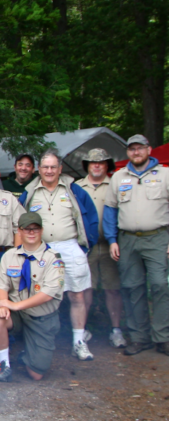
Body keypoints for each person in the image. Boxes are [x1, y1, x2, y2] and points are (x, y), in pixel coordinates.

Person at [20, 149, 98, 361]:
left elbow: (90, 216)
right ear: (39, 169)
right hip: (42, 249)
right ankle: (40, 342)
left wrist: (85, 245)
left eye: (53, 167)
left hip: (70, 245)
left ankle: (78, 342)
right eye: (45, 167)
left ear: (60, 168)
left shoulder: (74, 189)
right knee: (40, 295)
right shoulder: (30, 192)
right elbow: (18, 219)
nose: (49, 171)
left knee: (77, 294)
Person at [105, 134, 169, 356]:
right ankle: (140, 337)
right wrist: (112, 240)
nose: (136, 152)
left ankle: (163, 337)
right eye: (132, 149)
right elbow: (111, 210)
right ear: (128, 152)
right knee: (133, 287)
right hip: (128, 239)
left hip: (158, 237)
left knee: (161, 285)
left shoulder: (165, 174)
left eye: (140, 148)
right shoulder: (118, 177)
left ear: (149, 150)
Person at [0, 212, 65, 382]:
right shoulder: (10, 256)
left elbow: (47, 294)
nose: (31, 233)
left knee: (36, 374)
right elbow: (2, 285)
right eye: (27, 229)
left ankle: (28, 354)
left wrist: (16, 305)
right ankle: (4, 365)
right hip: (16, 314)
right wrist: (2, 303)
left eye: (35, 229)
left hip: (41, 318)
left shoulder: (53, 258)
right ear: (20, 232)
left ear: (42, 230)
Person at [77, 149, 126, 348]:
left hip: (109, 246)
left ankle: (116, 330)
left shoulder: (115, 185)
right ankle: (83, 329)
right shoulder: (78, 187)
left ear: (108, 165)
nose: (96, 166)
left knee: (112, 289)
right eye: (92, 163)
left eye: (101, 163)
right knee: (85, 289)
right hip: (86, 248)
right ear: (87, 166)